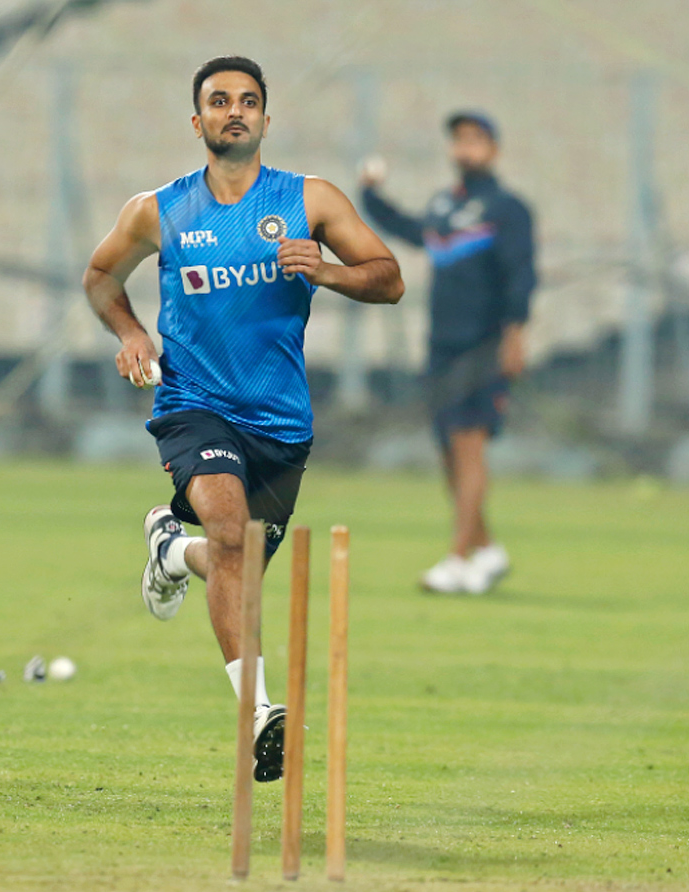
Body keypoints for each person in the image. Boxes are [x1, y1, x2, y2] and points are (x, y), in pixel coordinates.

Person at [82, 56, 403, 782]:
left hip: (282, 426)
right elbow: (100, 276)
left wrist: (328, 271)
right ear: (197, 122)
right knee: (229, 534)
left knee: (235, 563)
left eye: (248, 101)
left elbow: (390, 279)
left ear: (266, 118)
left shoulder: (310, 199)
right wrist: (132, 334)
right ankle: (263, 714)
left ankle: (170, 554)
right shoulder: (157, 210)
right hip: (194, 408)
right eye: (220, 101)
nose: (236, 111)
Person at [359, 112, 535, 595]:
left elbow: (521, 274)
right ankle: (486, 548)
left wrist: (515, 335)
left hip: (484, 342)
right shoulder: (444, 206)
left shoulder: (507, 208)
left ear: (494, 149)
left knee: (468, 444)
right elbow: (411, 231)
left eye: (476, 139)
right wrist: (370, 196)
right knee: (447, 451)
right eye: (459, 140)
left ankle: (458, 558)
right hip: (442, 345)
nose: (465, 148)